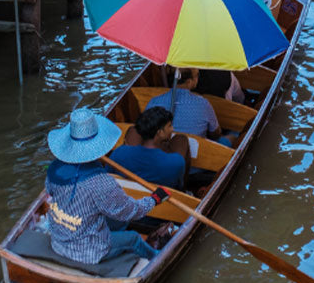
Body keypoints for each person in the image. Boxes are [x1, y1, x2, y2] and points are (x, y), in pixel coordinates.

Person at [42, 108, 170, 266]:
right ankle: (157, 257)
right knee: (133, 238)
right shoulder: (101, 183)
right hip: (87, 252)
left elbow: (49, 191)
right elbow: (131, 211)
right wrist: (154, 200)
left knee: (119, 221)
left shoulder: (54, 167)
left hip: (59, 240)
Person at [113, 107, 189, 189]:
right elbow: (179, 187)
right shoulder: (176, 161)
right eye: (169, 126)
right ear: (160, 132)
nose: (172, 129)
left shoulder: (119, 152)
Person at [147, 66, 223, 141]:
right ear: (189, 82)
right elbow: (216, 133)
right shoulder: (203, 104)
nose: (198, 78)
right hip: (197, 151)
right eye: (197, 75)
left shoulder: (154, 101)